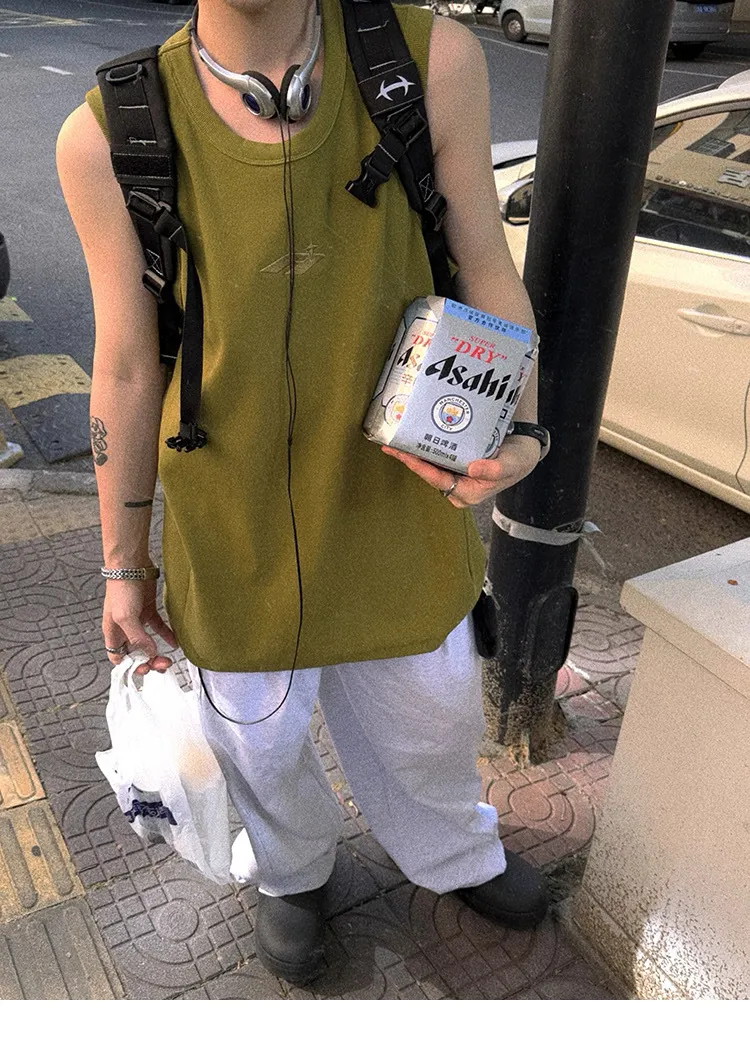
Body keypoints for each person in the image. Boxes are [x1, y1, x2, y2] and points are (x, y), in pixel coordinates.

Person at [57, 0, 549, 986]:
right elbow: (125, 365)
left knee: (431, 721)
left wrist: (526, 428)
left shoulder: (428, 59)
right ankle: (292, 870)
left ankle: (452, 850)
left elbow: (484, 258)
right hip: (229, 529)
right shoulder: (111, 129)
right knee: (257, 743)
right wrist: (122, 564)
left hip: (397, 501)